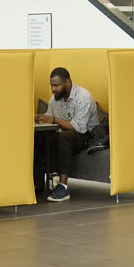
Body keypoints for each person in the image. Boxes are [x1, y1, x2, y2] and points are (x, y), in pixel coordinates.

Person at [37, 66, 98, 202]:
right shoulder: (54, 99)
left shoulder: (83, 97)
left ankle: (63, 187)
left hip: (86, 135)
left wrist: (53, 120)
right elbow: (50, 119)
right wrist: (41, 119)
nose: (53, 89)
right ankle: (37, 183)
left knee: (64, 138)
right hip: (64, 134)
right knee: (39, 137)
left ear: (67, 82)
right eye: (51, 85)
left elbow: (78, 128)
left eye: (56, 85)